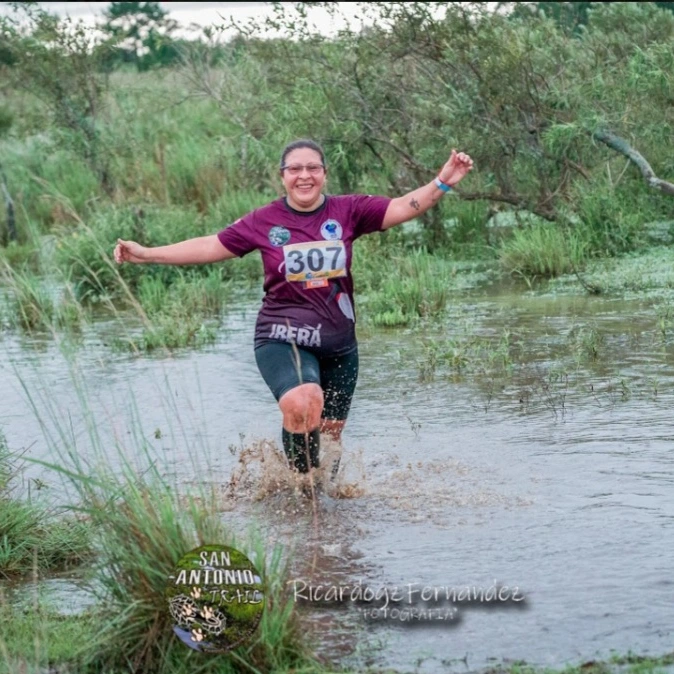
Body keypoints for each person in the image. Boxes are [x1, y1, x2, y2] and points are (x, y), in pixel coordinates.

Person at [114, 139, 473, 478]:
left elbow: (403, 206)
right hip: (282, 334)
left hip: (339, 343)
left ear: (324, 174)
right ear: (283, 175)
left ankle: (324, 501)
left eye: (313, 168)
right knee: (304, 402)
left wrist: (443, 182)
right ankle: (303, 490)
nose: (305, 176)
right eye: (295, 169)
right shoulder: (264, 220)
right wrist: (147, 254)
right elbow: (210, 246)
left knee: (330, 437)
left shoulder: (349, 210)